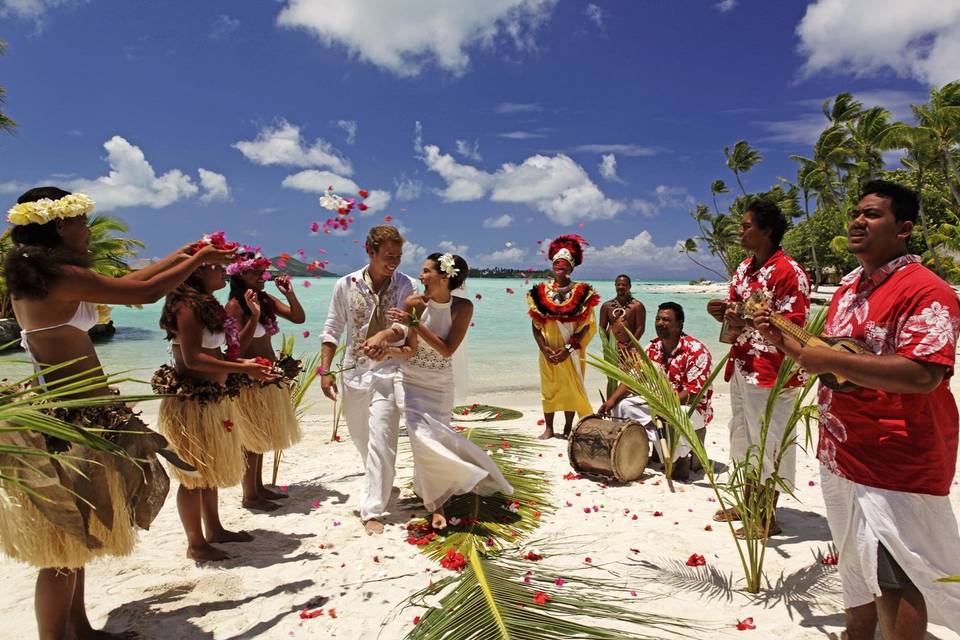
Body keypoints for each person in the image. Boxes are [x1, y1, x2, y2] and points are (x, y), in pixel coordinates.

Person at [0, 187, 233, 640]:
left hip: (81, 406)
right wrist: (198, 256)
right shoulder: (59, 276)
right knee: (63, 545)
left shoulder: (43, 275)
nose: (87, 230)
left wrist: (181, 255)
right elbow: (142, 293)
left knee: (82, 530)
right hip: (70, 414)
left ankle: (80, 628)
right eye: (81, 222)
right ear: (58, 225)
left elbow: (138, 279)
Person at [754, 180, 960, 639]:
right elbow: (831, 362)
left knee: (895, 572)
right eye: (856, 213)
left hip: (896, 457)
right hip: (842, 452)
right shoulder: (849, 287)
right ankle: (856, 634)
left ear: (904, 228)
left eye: (872, 214)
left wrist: (827, 358)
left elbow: (924, 373)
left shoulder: (926, 290)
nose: (856, 221)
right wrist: (779, 338)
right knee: (854, 561)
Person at [363, 253, 513, 529]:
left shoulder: (462, 307)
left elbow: (446, 350)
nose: (420, 277)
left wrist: (416, 323)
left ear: (444, 278)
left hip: (440, 384)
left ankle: (445, 489)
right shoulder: (414, 303)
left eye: (426, 271)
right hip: (409, 380)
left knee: (437, 439)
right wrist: (386, 350)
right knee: (421, 441)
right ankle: (437, 505)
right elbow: (409, 349)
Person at [155, 232, 277, 562]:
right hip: (193, 401)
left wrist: (246, 355)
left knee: (208, 470)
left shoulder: (208, 305)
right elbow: (193, 358)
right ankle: (196, 543)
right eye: (217, 267)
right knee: (194, 475)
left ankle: (215, 529)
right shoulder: (185, 306)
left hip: (215, 398)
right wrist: (244, 367)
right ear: (198, 270)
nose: (225, 272)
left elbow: (228, 349)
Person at [706, 198, 810, 538]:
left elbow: (796, 328)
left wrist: (753, 321)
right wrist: (724, 313)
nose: (740, 230)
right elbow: (738, 315)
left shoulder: (789, 273)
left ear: (766, 231)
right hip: (742, 365)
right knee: (744, 437)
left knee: (771, 441)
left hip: (774, 372)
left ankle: (766, 515)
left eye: (747, 225)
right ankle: (750, 502)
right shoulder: (743, 270)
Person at [319, 225, 416, 535]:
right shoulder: (344, 285)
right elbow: (332, 328)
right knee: (362, 437)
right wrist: (325, 369)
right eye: (389, 256)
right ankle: (381, 482)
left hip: (390, 372)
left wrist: (385, 335)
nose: (395, 262)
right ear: (370, 251)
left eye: (399, 256)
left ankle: (372, 509)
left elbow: (406, 326)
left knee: (383, 438)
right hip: (353, 373)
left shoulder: (406, 284)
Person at [226, 248, 305, 512]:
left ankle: (258, 489)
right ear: (241, 274)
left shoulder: (266, 299)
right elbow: (236, 349)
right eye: (257, 272)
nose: (264, 276)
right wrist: (255, 315)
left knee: (262, 438)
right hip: (249, 379)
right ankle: (249, 495)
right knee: (251, 440)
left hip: (268, 377)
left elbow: (298, 318)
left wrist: (289, 293)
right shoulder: (235, 307)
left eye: (264, 271)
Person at [598, 302, 713, 481]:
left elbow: (695, 392)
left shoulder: (697, 351)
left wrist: (665, 405)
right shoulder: (652, 348)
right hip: (658, 404)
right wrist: (611, 401)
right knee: (624, 406)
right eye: (658, 319)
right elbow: (633, 380)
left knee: (674, 415)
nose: (660, 323)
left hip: (691, 408)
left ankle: (678, 460)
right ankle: (636, 453)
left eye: (666, 320)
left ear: (680, 323)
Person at [528, 234, 600, 440]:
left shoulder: (583, 292)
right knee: (548, 388)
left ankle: (568, 427)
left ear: (571, 268)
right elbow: (535, 326)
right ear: (552, 267)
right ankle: (549, 428)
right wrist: (544, 348)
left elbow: (586, 327)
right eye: (557, 265)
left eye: (565, 265)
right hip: (548, 351)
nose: (561, 268)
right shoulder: (540, 292)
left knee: (571, 388)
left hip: (572, 351)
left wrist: (568, 350)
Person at [599, 274, 646, 353]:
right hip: (611, 348)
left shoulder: (637, 306)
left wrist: (629, 347)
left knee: (630, 366)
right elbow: (601, 328)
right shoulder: (606, 305)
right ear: (615, 286)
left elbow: (640, 329)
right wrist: (607, 344)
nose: (620, 287)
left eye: (624, 285)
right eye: (618, 284)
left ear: (629, 286)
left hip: (630, 347)